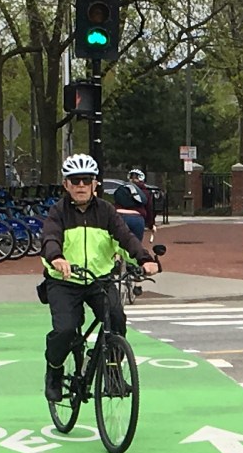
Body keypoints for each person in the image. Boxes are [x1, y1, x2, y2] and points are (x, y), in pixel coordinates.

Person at [40, 153, 157, 403]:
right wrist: (57, 258)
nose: (80, 185)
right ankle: (55, 372)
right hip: (64, 281)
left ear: (95, 184)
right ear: (66, 185)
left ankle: (112, 372)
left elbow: (125, 238)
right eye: (75, 180)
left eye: (86, 180)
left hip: (98, 280)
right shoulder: (58, 212)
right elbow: (50, 237)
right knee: (66, 330)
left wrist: (145, 259)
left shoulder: (106, 211)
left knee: (116, 318)